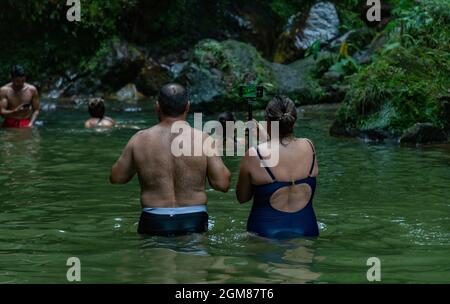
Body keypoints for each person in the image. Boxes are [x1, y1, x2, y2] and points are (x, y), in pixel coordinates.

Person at [110, 83, 231, 236]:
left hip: (153, 218)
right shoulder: (202, 139)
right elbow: (223, 184)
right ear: (187, 106)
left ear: (157, 106)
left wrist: (141, 161)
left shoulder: (139, 139)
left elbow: (117, 178)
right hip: (194, 218)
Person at [236, 95, 319, 239]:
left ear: (268, 122)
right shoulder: (309, 146)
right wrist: (266, 138)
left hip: (266, 233)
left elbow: (242, 197)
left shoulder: (255, 154)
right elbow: (284, 150)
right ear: (294, 120)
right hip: (307, 229)